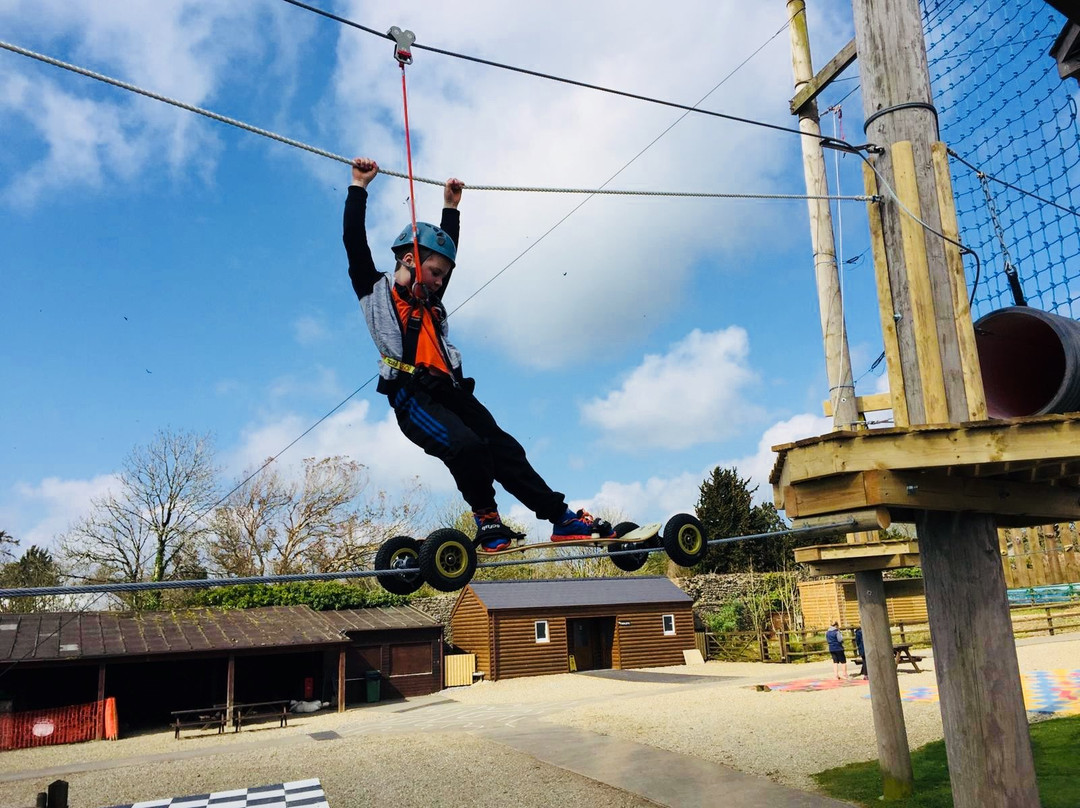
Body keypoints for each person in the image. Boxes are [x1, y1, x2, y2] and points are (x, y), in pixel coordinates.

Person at [342, 157, 616, 553]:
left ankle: (561, 518)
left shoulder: (432, 301)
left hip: (452, 393)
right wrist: (358, 186)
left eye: (443, 276)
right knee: (467, 447)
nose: (439, 282)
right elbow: (354, 242)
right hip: (413, 396)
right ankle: (488, 520)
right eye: (434, 272)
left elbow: (445, 250)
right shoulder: (375, 292)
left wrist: (451, 207)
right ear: (408, 259)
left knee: (504, 449)